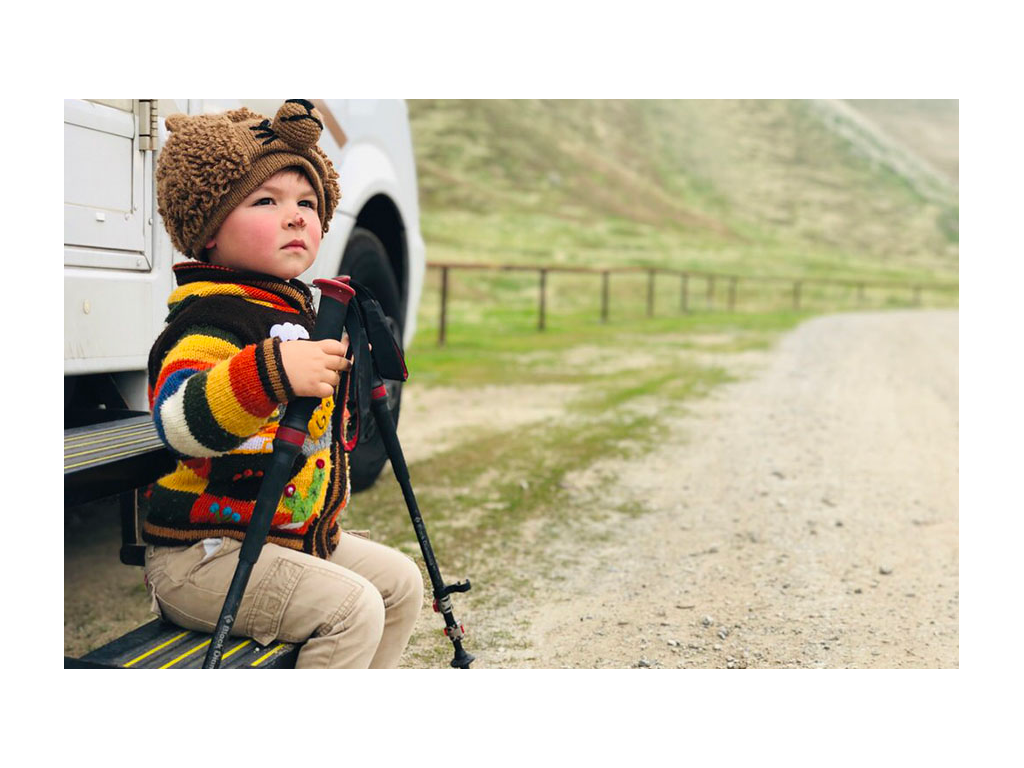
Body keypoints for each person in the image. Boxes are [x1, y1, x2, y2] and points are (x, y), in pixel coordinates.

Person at [141, 100, 424, 668]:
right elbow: (179, 420)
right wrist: (271, 373)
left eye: (308, 203)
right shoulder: (213, 319)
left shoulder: (297, 311)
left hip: (281, 537)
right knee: (352, 608)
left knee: (400, 584)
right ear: (209, 231)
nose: (296, 216)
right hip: (202, 556)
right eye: (266, 201)